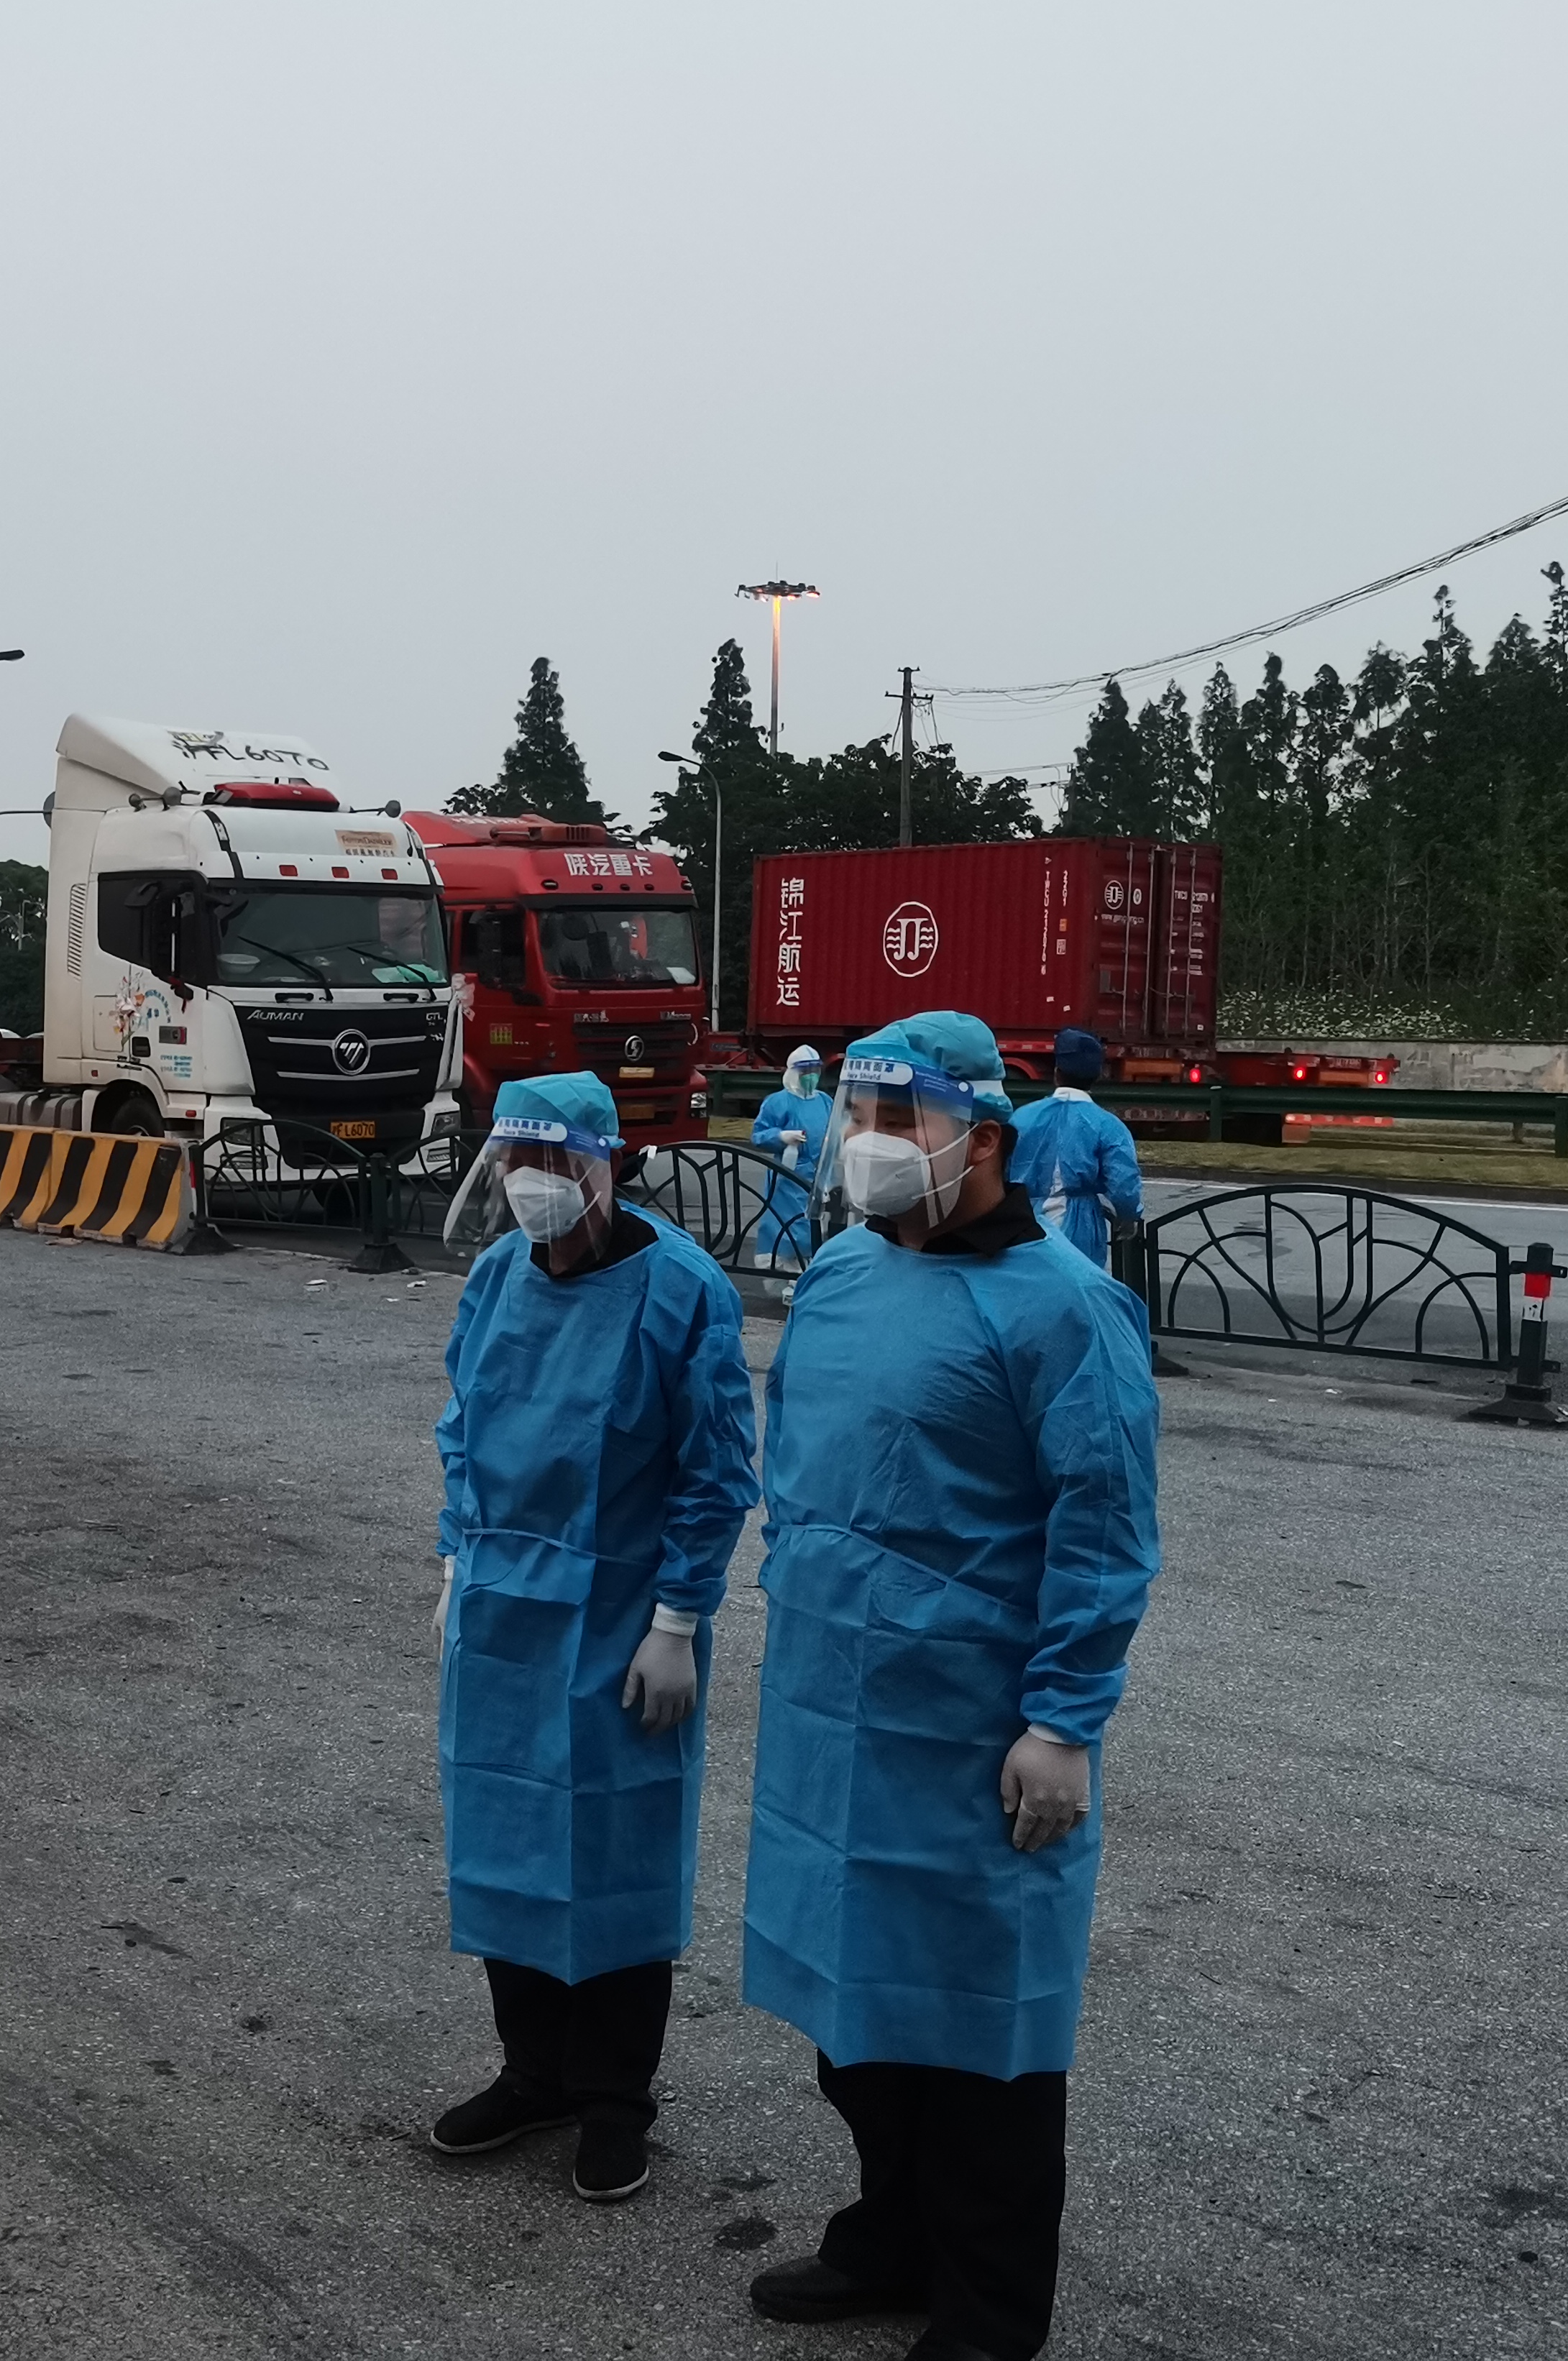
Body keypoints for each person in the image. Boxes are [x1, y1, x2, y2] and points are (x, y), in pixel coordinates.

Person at [737, 1011, 1160, 2361]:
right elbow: (800, 1458)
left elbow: (1103, 1527)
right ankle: (890, 2237)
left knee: (978, 2034)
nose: (865, 1143)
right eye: (855, 1116)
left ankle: (985, 2313)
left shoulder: (1063, 1308)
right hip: (832, 1705)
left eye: (894, 1119)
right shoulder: (843, 1268)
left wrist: (1062, 1718)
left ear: (980, 1137)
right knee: (856, 2014)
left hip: (971, 1720)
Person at [429, 1070, 760, 2204]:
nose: (534, 1185)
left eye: (555, 1163)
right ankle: (534, 2073)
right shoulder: (496, 1274)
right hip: (503, 1606)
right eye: (515, 1163)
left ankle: (616, 2099)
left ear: (607, 1164)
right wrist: (454, 1555)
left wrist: (679, 1616)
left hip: (622, 1614)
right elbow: (464, 1423)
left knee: (614, 1855)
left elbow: (714, 1470)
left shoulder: (681, 1290)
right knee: (509, 1837)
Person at [1005, 1027, 1145, 1271]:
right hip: (1080, 1226)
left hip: (1024, 1221)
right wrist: (1128, 1216)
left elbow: (1001, 1171)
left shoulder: (1021, 1118)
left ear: (1057, 1073)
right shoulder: (1108, 1125)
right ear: (1097, 1076)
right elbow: (1124, 1183)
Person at [751, 1044, 830, 1262]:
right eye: (806, 1071)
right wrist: (781, 1136)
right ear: (794, 1072)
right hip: (789, 1173)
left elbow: (835, 1130)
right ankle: (782, 1264)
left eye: (815, 1070)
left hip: (820, 1173)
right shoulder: (778, 1102)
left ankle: (807, 1264)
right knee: (788, 1222)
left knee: (815, 1222)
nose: (811, 1076)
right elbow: (758, 1135)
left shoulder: (825, 1101)